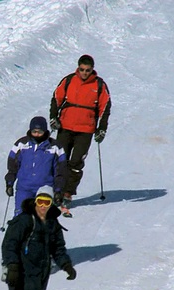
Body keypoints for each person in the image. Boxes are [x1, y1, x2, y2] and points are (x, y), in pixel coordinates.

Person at [49, 54, 111, 212]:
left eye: (88, 70)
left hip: (86, 129)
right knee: (60, 160)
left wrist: (101, 128)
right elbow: (56, 98)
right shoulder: (69, 80)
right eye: (82, 69)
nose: (84, 73)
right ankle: (58, 191)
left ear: (92, 70)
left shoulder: (99, 85)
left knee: (76, 162)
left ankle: (68, 192)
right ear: (78, 68)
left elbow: (105, 108)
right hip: (65, 126)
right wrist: (53, 117)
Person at [5, 116, 67, 216]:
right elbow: (13, 166)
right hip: (24, 187)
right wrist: (9, 183)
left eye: (40, 132)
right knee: (21, 215)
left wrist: (58, 190)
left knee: (42, 216)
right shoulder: (21, 144)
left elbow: (61, 170)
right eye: (34, 131)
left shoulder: (55, 147)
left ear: (45, 131)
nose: (37, 134)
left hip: (45, 187)